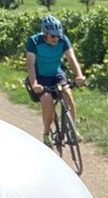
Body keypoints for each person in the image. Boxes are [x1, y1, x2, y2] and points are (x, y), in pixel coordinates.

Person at [24, 14, 87, 147]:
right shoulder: (34, 41)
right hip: (40, 76)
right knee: (47, 103)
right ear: (45, 33)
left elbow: (71, 58)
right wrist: (34, 83)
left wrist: (79, 75)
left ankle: (72, 130)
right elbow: (30, 64)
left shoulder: (64, 40)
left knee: (68, 94)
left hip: (57, 74)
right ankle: (46, 133)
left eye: (58, 35)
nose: (56, 39)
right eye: (53, 36)